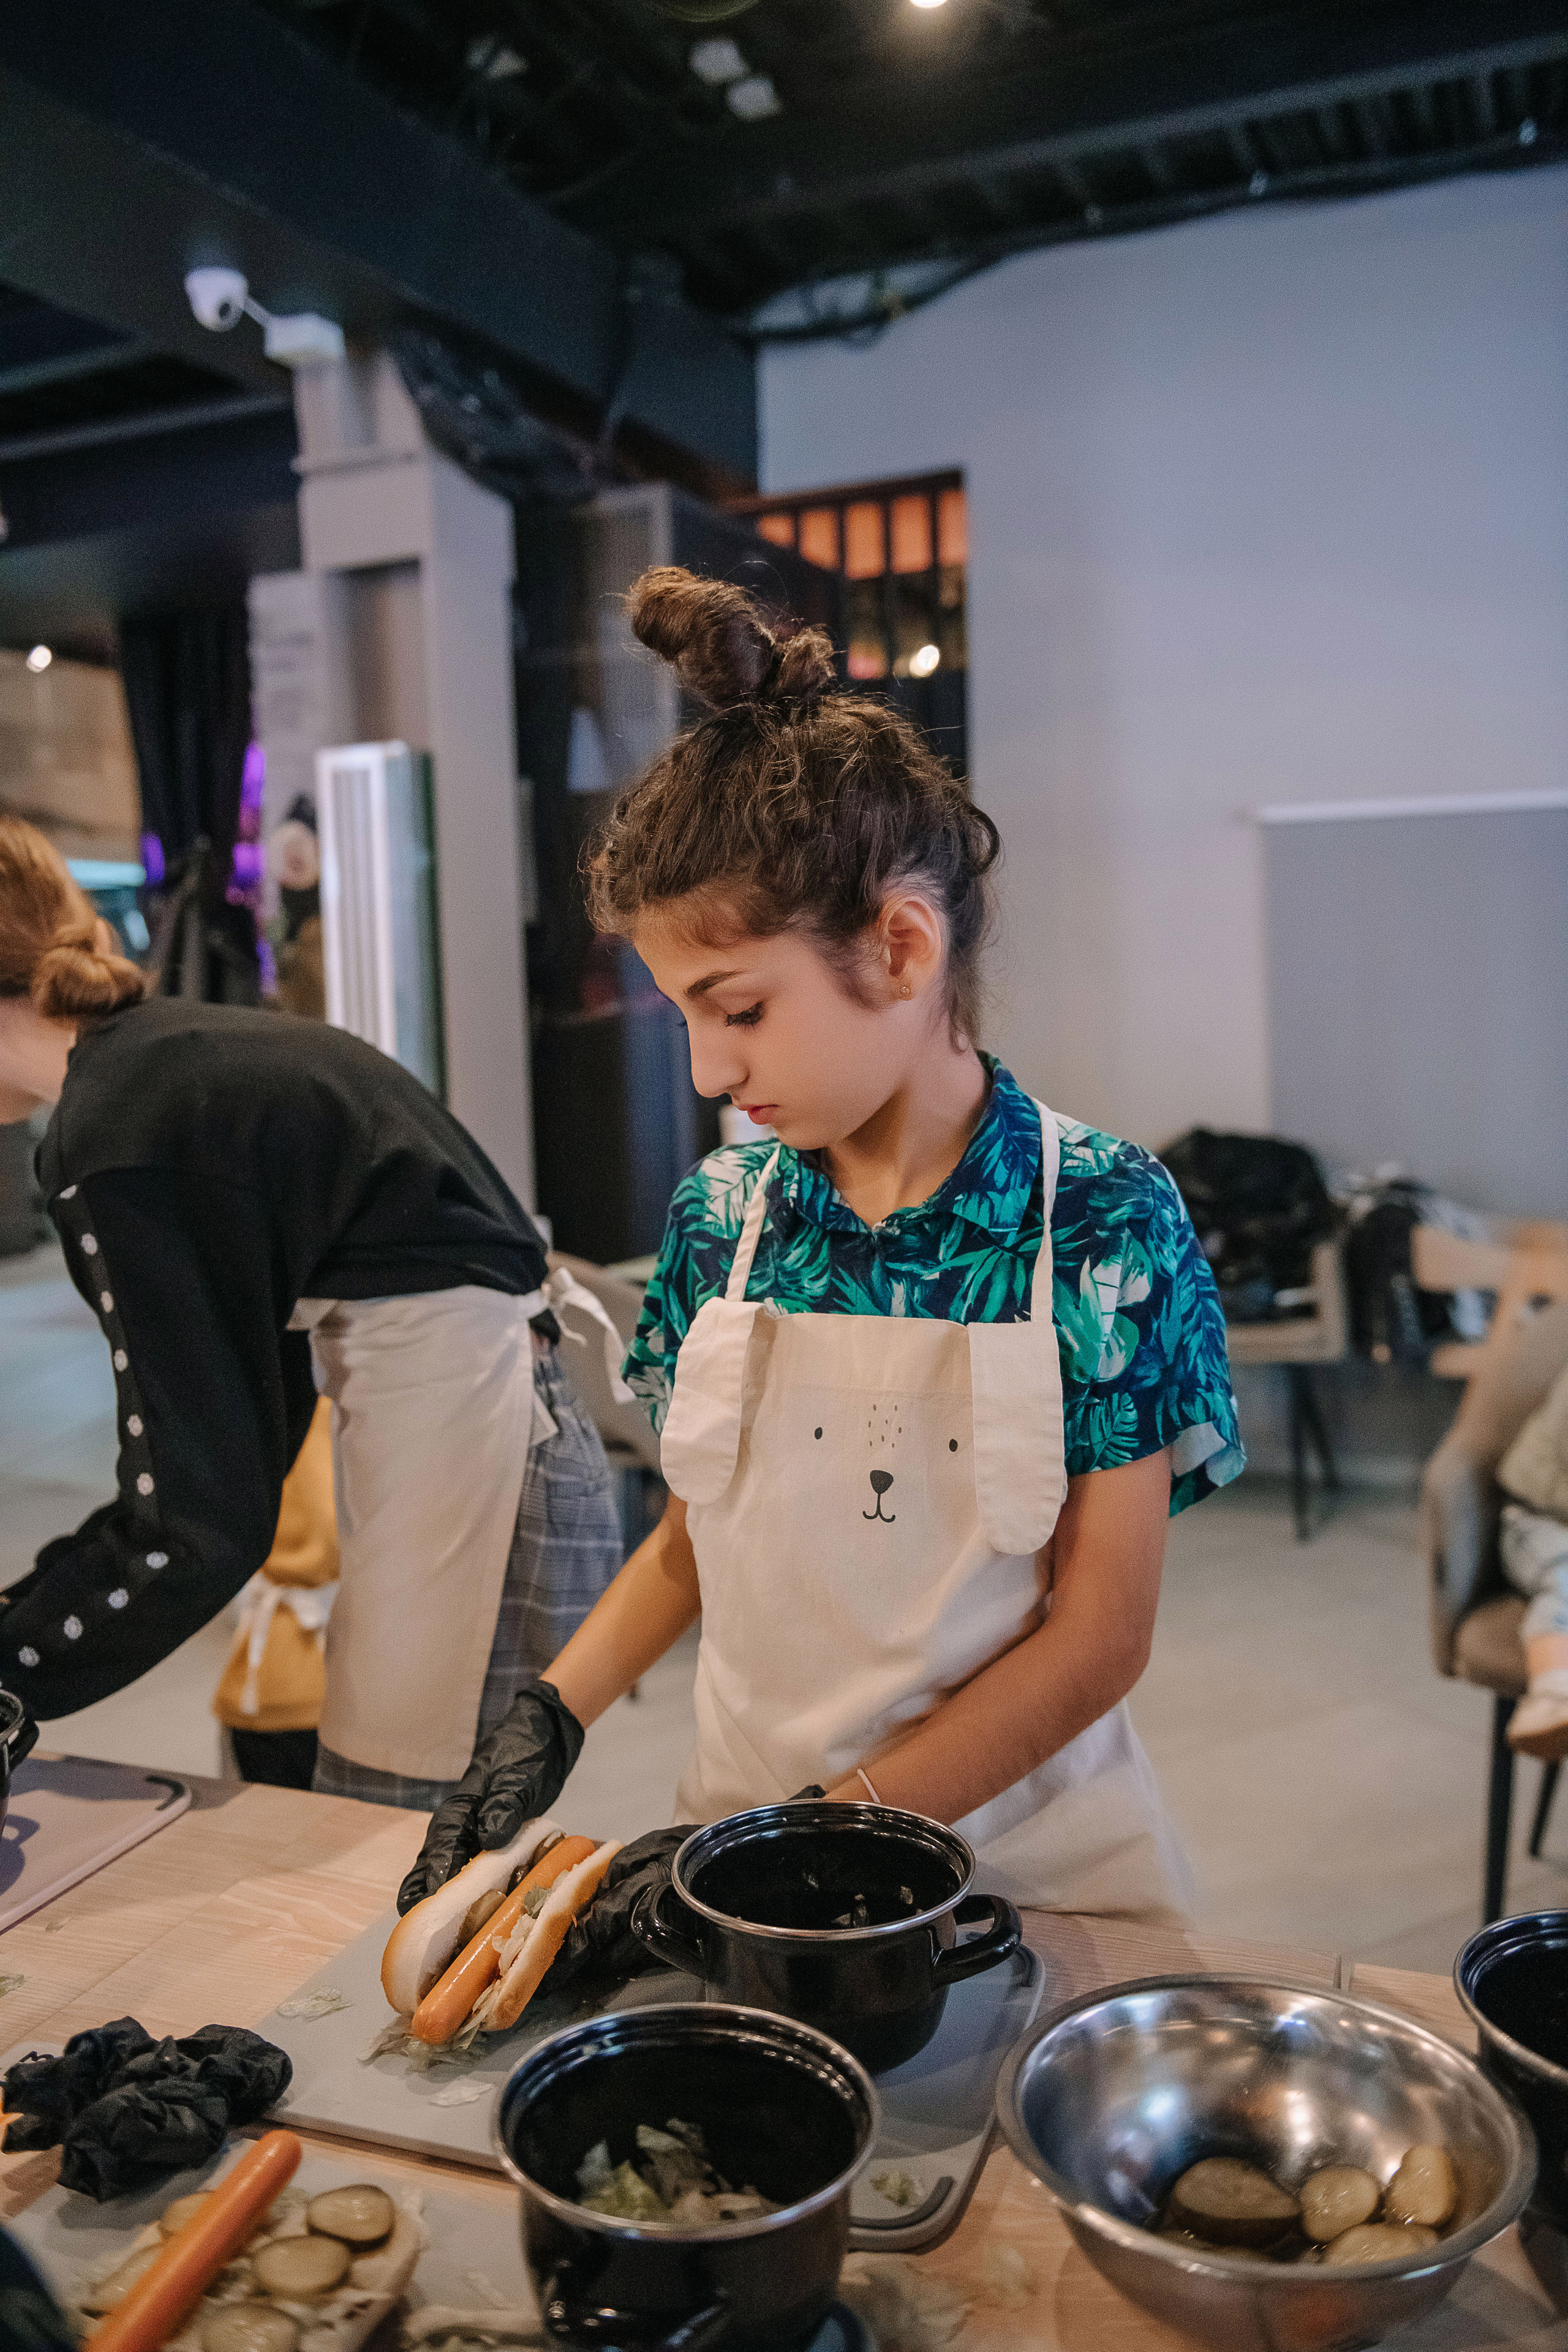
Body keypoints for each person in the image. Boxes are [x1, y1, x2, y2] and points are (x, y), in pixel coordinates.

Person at [399, 566, 1243, 1926]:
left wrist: (834, 1834)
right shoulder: (720, 1223)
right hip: (729, 1847)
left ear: (900, 948)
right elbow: (694, 1545)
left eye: (735, 1008)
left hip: (1021, 1881)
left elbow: (1097, 1639)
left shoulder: (1097, 1218)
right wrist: (547, 1718)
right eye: (682, 1014)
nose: (707, 1068)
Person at [0, 816, 625, 1806]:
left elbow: (195, 1522)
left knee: (392, 1848)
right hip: (497, 1421)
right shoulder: (156, 1066)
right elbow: (229, 1452)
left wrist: (13, 1662)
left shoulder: (109, 1128)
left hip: (478, 1432)